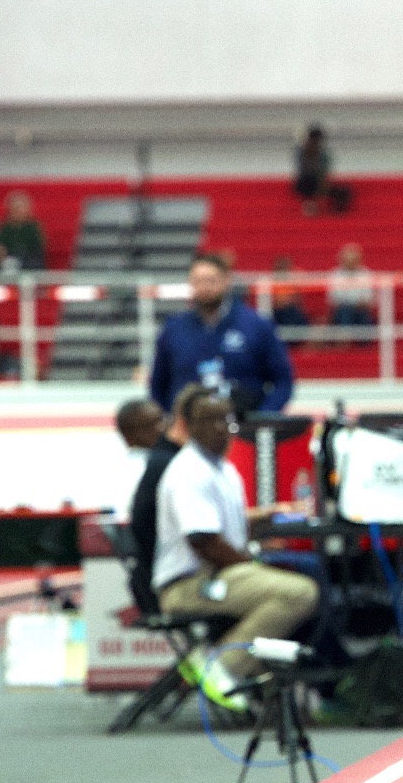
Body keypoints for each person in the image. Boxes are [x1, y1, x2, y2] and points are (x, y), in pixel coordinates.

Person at [153, 386, 319, 710]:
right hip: (190, 584)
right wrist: (252, 563)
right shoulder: (189, 471)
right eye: (207, 420)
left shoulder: (222, 468)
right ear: (187, 425)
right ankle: (223, 665)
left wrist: (267, 516)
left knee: (307, 567)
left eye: (224, 419)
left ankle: (302, 682)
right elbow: (203, 540)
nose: (219, 427)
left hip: (217, 573)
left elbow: (225, 523)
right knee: (299, 593)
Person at [147, 254, 294, 417]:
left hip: (242, 429)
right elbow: (158, 385)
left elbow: (283, 382)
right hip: (187, 429)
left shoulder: (257, 326)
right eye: (198, 281)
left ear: (227, 280)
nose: (204, 287)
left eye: (211, 280)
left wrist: (261, 418)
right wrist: (170, 421)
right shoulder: (173, 329)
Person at [116, 396, 186, 617]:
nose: (161, 428)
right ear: (129, 434)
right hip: (160, 572)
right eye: (151, 424)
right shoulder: (146, 467)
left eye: (162, 420)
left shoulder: (165, 460)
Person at [292, 123, 351, 216]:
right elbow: (303, 170)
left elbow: (324, 172)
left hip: (319, 181)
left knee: (343, 191)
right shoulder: (301, 152)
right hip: (305, 182)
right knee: (307, 183)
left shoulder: (323, 154)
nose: (316, 143)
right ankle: (311, 205)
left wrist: (322, 183)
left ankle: (337, 211)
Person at [325, 242, 376, 338]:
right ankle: (344, 338)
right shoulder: (335, 275)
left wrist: (356, 304)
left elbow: (369, 299)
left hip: (361, 310)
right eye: (348, 260)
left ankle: (360, 338)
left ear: (359, 260)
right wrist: (350, 303)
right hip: (342, 310)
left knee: (359, 312)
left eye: (353, 260)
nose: (350, 262)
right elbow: (333, 299)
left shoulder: (366, 275)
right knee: (345, 310)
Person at [0, 191, 47, 271]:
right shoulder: (5, 227)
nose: (18, 211)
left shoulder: (33, 228)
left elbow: (37, 249)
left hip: (28, 264)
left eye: (20, 208)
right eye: (15, 208)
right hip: (6, 262)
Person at [267, 255, 310, 332]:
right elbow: (274, 302)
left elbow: (298, 299)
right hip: (277, 313)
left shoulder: (295, 278)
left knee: (293, 313)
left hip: (292, 311)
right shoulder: (270, 281)